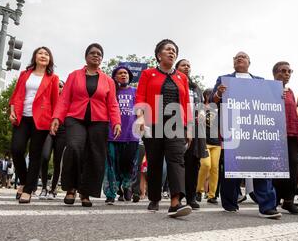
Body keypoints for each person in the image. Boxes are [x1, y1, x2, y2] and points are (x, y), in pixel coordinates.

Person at [211, 51, 281, 219]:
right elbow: (213, 101)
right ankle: (229, 202)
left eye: (243, 56)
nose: (239, 58)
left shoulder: (260, 82)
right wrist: (219, 93)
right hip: (233, 129)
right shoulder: (224, 79)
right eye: (236, 57)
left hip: (255, 129)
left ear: (249, 62)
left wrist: (280, 96)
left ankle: (267, 206)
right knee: (232, 168)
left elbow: (271, 102)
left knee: (261, 167)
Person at [51, 43, 121, 207]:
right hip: (75, 118)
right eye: (93, 53)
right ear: (86, 56)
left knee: (94, 155)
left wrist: (116, 122)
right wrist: (57, 118)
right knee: (74, 147)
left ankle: (85, 192)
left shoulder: (108, 81)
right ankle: (71, 188)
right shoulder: (74, 75)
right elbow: (64, 99)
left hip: (99, 121)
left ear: (101, 59)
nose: (96, 56)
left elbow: (113, 104)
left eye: (99, 54)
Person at [135, 39, 193, 218]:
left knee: (176, 159)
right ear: (159, 55)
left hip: (175, 123)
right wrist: (140, 116)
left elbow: (186, 103)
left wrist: (189, 127)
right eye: (168, 49)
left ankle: (176, 202)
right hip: (153, 122)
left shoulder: (181, 77)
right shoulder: (148, 74)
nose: (172, 52)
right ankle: (154, 197)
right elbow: (140, 96)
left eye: (174, 50)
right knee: (154, 161)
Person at [9, 46, 59, 204]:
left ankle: (28, 190)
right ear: (35, 57)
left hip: (41, 119)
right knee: (16, 149)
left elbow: (55, 101)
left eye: (46, 54)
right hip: (22, 116)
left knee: (35, 154)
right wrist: (12, 110)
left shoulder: (53, 78)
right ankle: (24, 182)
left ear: (49, 59)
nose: (43, 56)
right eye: (40, 53)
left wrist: (54, 121)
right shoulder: (25, 74)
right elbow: (16, 94)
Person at [271, 62, 298, 214]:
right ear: (274, 73)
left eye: (289, 71)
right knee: (277, 167)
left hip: (292, 133)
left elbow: (293, 114)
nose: (287, 74)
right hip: (274, 134)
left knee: (294, 164)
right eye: (283, 71)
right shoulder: (267, 89)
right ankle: (274, 199)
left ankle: (289, 200)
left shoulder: (291, 92)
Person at [103, 66, 140, 204]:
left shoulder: (136, 92)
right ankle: (111, 192)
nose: (123, 75)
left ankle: (126, 186)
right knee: (112, 165)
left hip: (132, 135)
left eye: (125, 73)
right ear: (115, 77)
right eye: (120, 73)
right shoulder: (111, 91)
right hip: (112, 134)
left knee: (129, 164)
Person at [175, 59, 208, 210]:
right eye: (183, 65)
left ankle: (191, 197)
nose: (187, 67)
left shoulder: (196, 88)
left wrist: (201, 113)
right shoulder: (173, 83)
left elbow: (201, 106)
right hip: (176, 126)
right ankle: (178, 197)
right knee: (178, 163)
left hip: (196, 128)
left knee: (194, 163)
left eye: (189, 65)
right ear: (177, 68)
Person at [39, 81, 67, 200]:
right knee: (44, 157)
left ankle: (53, 188)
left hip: (62, 132)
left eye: (60, 86)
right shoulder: (47, 99)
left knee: (57, 161)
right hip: (48, 130)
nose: (58, 88)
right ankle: (44, 187)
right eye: (56, 86)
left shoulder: (67, 101)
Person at [196, 88, 221, 204]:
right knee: (206, 165)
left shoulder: (218, 108)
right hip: (204, 140)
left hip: (217, 143)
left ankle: (212, 195)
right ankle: (199, 190)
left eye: (213, 94)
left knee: (215, 168)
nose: (211, 96)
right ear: (205, 96)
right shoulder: (201, 107)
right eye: (209, 94)